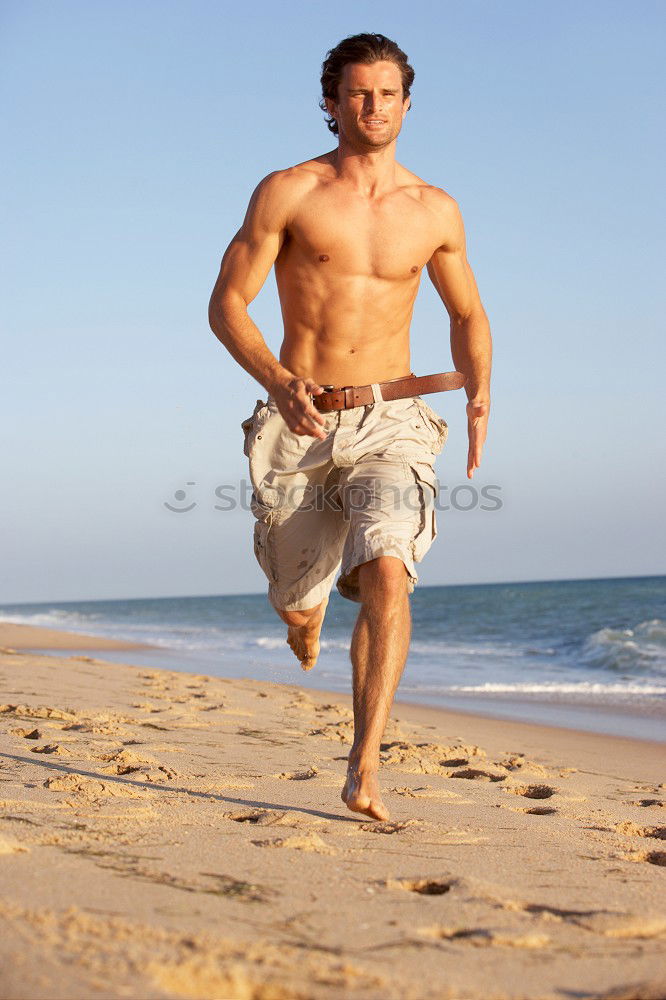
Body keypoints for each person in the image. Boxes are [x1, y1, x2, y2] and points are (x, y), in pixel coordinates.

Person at [208, 32, 492, 821]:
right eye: (358, 94)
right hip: (297, 426)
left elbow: (467, 312)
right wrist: (277, 379)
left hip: (391, 417)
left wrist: (478, 393)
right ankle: (303, 624)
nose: (373, 107)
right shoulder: (289, 192)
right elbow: (227, 305)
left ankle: (364, 766)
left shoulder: (434, 209)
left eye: (388, 94)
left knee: (391, 569)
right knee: (300, 601)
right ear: (331, 104)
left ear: (407, 103)